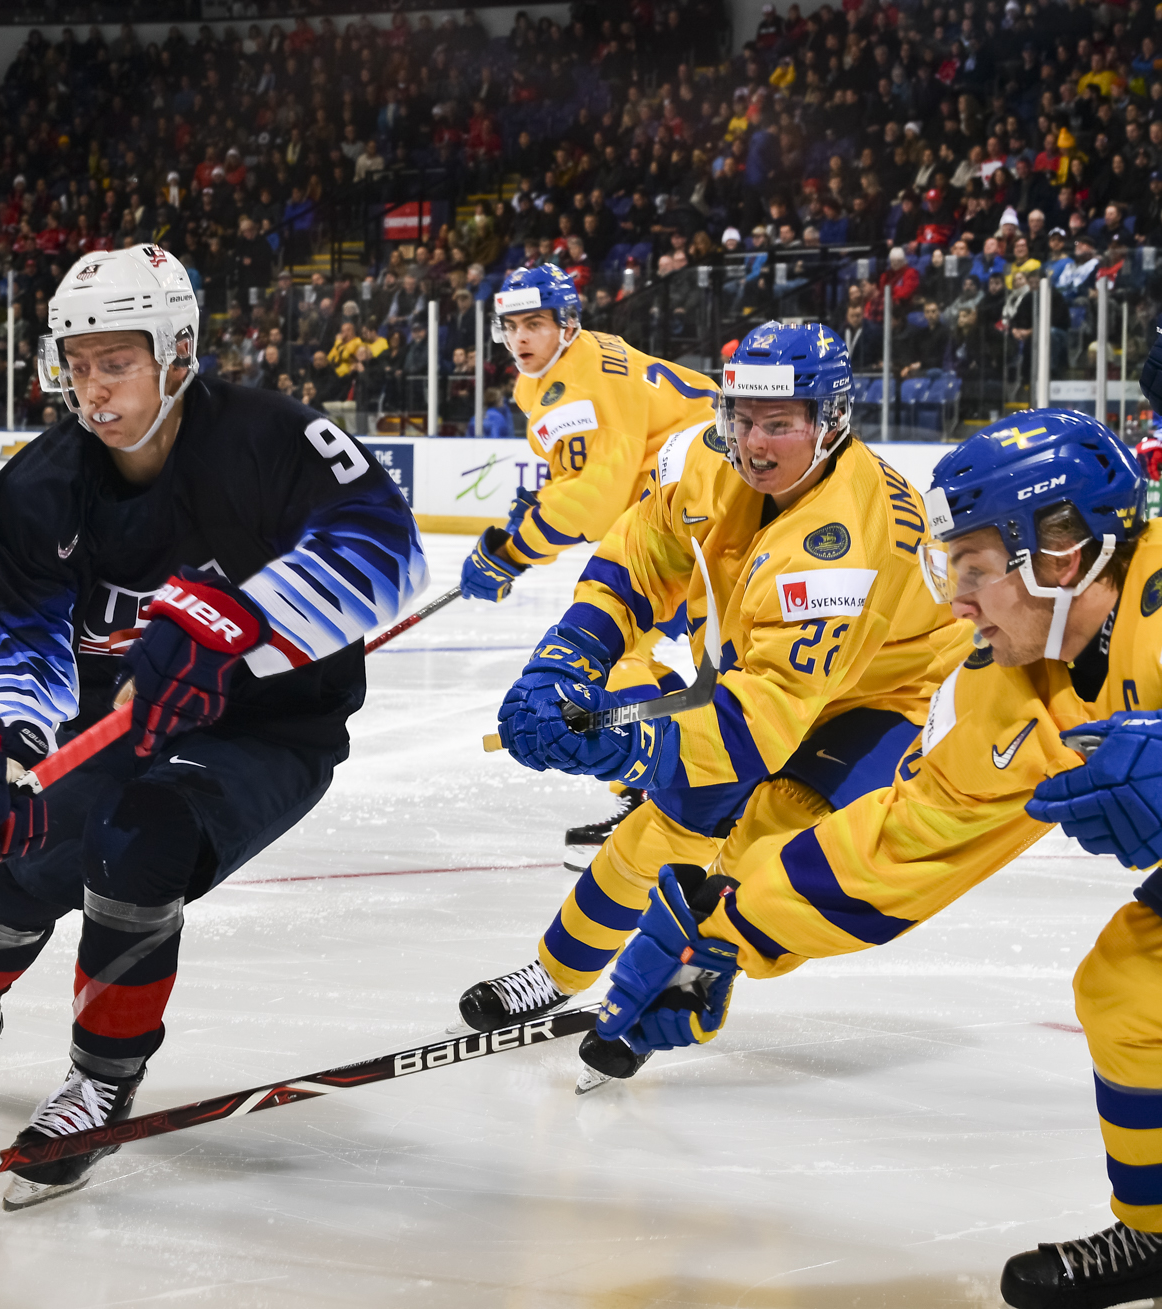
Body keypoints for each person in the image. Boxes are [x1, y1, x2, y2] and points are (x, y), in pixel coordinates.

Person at [0, 246, 427, 1210]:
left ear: (179, 351)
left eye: (117, 360)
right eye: (77, 362)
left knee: (135, 842)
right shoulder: (36, 490)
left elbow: (386, 547)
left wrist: (238, 630)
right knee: (19, 847)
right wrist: (0, 749)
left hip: (270, 727)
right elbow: (17, 647)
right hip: (120, 721)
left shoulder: (271, 439)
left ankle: (102, 1081)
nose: (93, 386)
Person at [585, 410, 1160, 1309]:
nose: (957, 598)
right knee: (1131, 988)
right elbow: (909, 837)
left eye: (974, 567)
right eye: (951, 566)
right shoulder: (1016, 683)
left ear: (1062, 555)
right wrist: (728, 929)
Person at [457, 322, 969, 1047]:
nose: (754, 444)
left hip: (890, 692)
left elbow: (756, 728)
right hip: (776, 675)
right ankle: (554, 972)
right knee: (664, 824)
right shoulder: (704, 456)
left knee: (770, 835)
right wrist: (568, 654)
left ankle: (683, 978)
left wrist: (620, 746)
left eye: (780, 423)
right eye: (742, 418)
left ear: (833, 419)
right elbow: (640, 553)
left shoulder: (841, 545)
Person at [460, 264, 723, 867]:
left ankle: (676, 799)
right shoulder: (573, 369)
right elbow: (599, 475)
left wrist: (512, 549)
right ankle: (685, 791)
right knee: (640, 648)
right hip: (690, 503)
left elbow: (595, 500)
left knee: (620, 650)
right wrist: (541, 508)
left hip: (700, 509)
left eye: (536, 324)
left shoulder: (574, 387)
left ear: (567, 324)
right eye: (512, 327)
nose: (522, 338)